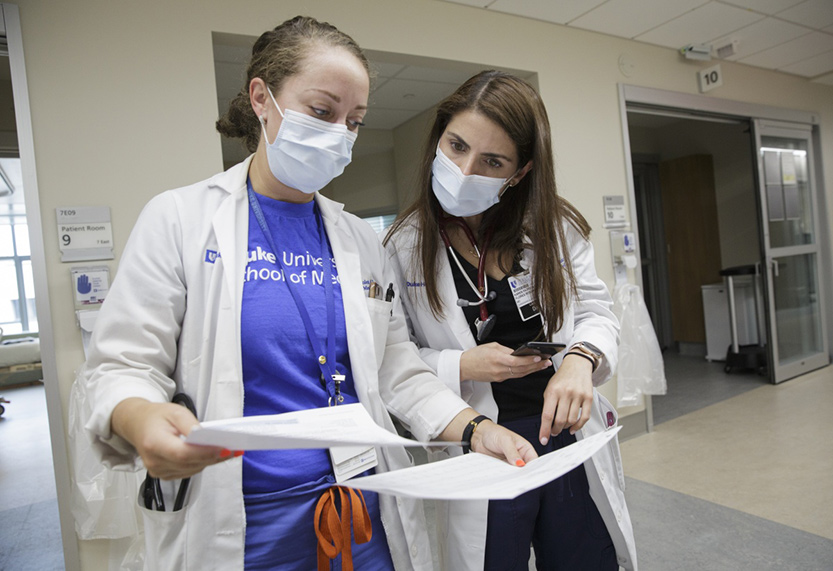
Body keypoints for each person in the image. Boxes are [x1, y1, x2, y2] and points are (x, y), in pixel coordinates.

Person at [80, 19, 536, 571]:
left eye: (355, 122)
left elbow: (397, 368)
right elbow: (122, 364)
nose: (340, 133)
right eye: (323, 111)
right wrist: (140, 418)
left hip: (365, 511)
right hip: (243, 522)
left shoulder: (359, 240)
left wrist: (475, 429)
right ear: (261, 99)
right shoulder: (180, 219)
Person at [383, 70, 637, 570]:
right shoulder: (403, 245)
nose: (464, 169)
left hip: (561, 431)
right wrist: (462, 364)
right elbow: (396, 359)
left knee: (583, 560)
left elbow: (595, 311)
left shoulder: (555, 227)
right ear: (438, 140)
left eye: (492, 162)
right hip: (483, 441)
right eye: (455, 146)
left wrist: (580, 361)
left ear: (519, 173)